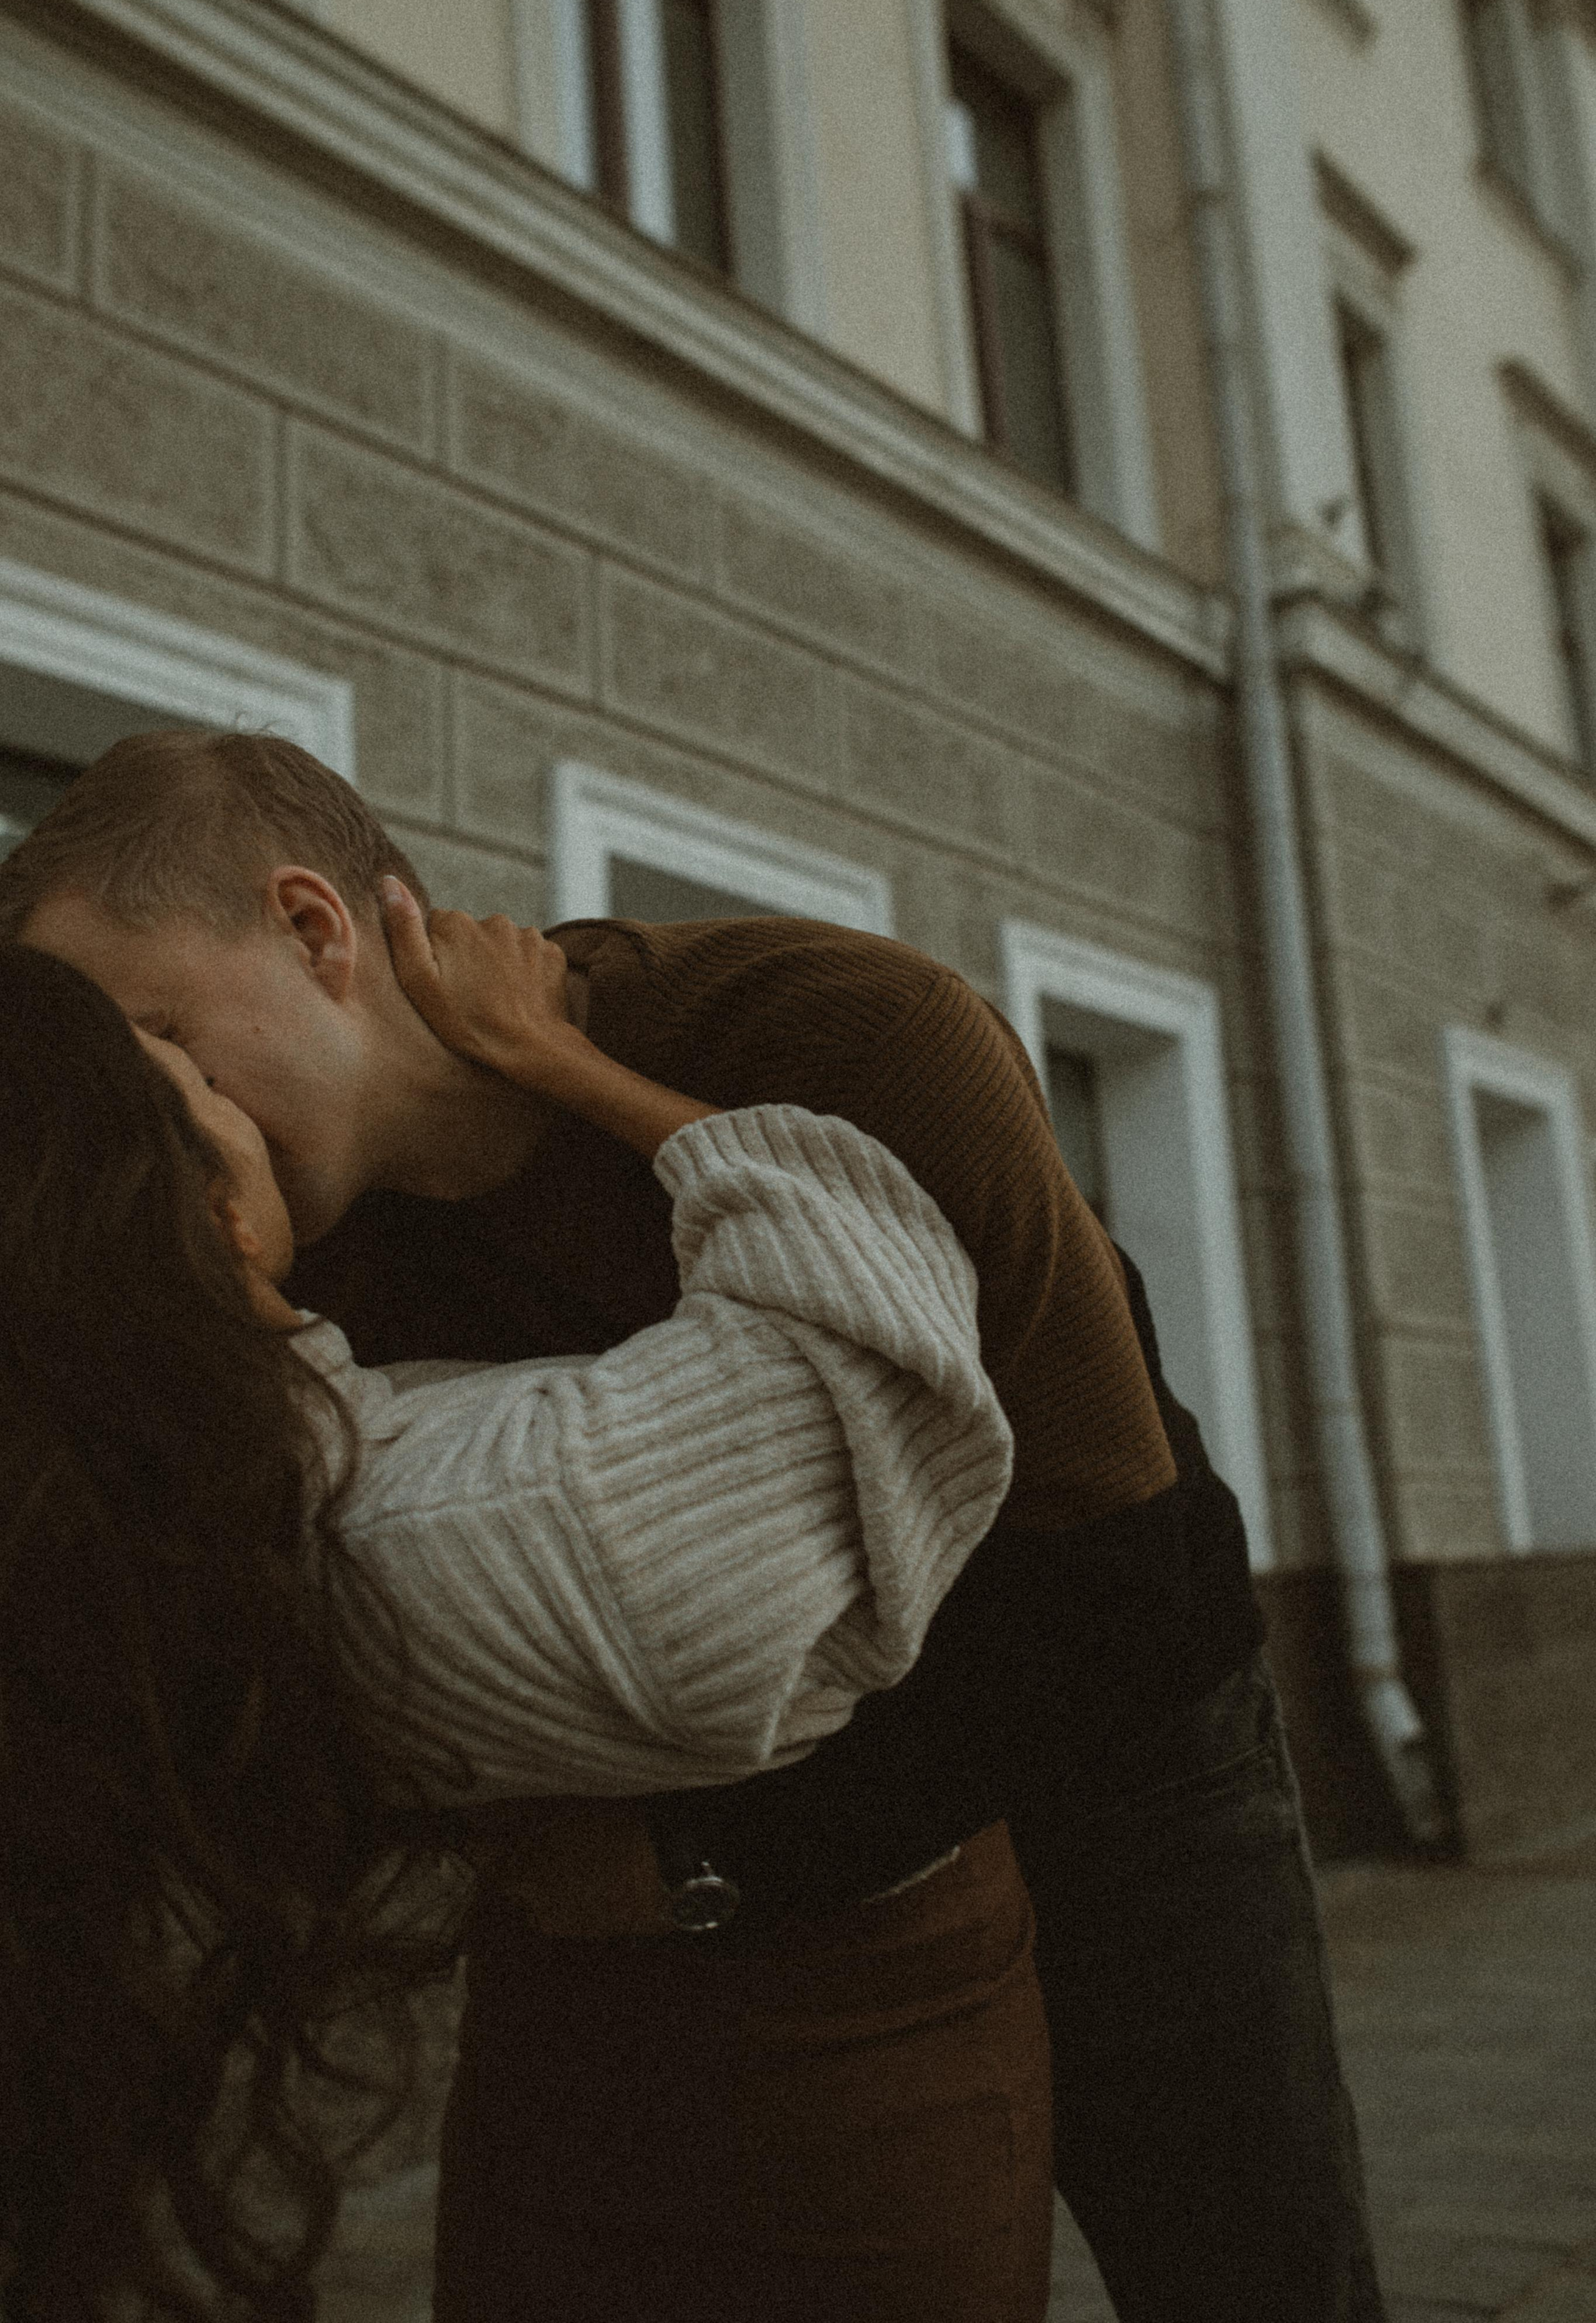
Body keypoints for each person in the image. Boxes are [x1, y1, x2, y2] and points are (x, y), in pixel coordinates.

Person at [3, 728, 1387, 2323]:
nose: (149, 1126)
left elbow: (1119, 1600)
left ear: (315, 928)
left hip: (1119, 1769)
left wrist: (698, 1858)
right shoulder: (284, 1246)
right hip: (693, 1917)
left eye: (158, 1041)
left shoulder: (841, 1032)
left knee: (1250, 2264)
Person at [0, 929, 1043, 2323]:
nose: (232, 1090)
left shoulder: (182, 1512)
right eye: (189, 1074)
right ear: (208, 1211)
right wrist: (565, 1058)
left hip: (622, 2034)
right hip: (838, 2066)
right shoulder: (479, 1517)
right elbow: (873, 1314)